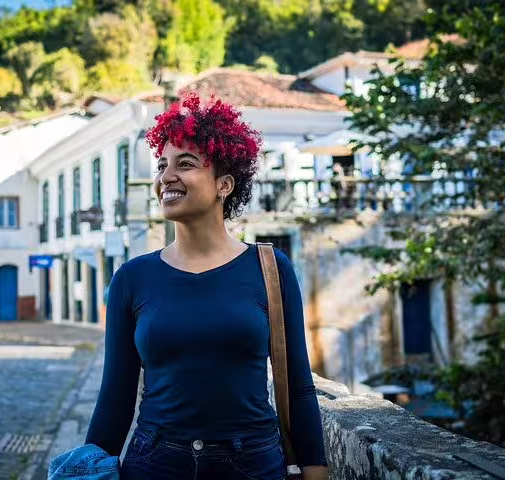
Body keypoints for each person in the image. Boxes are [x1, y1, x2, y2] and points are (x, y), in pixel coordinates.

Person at [85, 94, 328, 480]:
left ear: (224, 184)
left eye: (186, 164)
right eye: (162, 165)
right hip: (154, 463)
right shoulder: (131, 279)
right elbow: (115, 397)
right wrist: (88, 469)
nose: (166, 176)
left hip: (253, 464)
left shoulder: (270, 268)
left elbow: (298, 384)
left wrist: (316, 468)